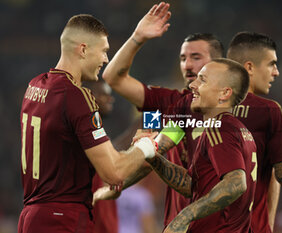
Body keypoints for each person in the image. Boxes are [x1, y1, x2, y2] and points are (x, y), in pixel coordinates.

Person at [18, 14, 157, 233]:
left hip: (31, 217)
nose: (106, 59)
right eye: (103, 51)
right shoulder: (76, 96)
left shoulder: (34, 86)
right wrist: (148, 146)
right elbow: (113, 172)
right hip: (63, 219)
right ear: (83, 49)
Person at [100, 2, 224, 227]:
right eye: (183, 58)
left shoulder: (238, 112)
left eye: (196, 57)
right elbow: (113, 78)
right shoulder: (165, 104)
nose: (187, 65)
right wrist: (138, 37)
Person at [147, 58, 257, 233]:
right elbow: (191, 185)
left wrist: (184, 216)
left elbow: (236, 183)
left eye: (203, 80)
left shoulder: (219, 127)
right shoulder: (236, 130)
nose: (193, 85)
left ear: (224, 93)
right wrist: (153, 157)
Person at [226, 31, 282, 232]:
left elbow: (155, 111)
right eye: (271, 64)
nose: (276, 72)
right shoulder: (268, 111)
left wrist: (147, 131)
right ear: (249, 67)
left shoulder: (195, 106)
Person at [84, 79, 118, 233]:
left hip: (102, 222)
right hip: (91, 223)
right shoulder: (84, 131)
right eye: (104, 95)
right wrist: (148, 118)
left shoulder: (97, 130)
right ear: (90, 97)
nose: (110, 99)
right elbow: (114, 154)